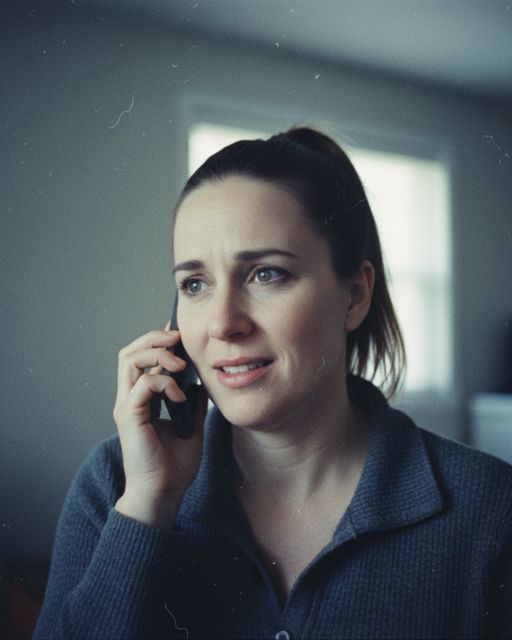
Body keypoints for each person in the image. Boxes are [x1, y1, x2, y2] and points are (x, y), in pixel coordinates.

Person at [33, 128, 512, 640]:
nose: (222, 324)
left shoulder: (490, 509)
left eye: (266, 274)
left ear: (354, 295)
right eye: (195, 284)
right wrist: (151, 505)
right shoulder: (114, 484)